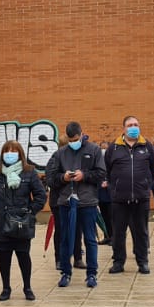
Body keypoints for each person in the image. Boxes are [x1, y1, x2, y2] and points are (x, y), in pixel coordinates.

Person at [0, 140, 47, 300]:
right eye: (7, 151)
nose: (10, 154)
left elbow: (40, 196)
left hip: (21, 222)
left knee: (23, 255)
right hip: (1, 222)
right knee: (4, 257)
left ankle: (27, 287)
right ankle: (6, 288)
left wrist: (30, 212)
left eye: (13, 151)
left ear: (20, 154)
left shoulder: (29, 172)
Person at [45, 122, 104, 288]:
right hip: (65, 202)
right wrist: (63, 177)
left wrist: (84, 175)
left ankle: (92, 274)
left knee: (90, 239)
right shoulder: (60, 154)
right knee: (65, 239)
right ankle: (65, 272)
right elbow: (50, 178)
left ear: (82, 134)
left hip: (87, 202)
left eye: (76, 139)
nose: (73, 142)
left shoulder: (94, 150)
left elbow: (101, 174)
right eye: (70, 140)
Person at [105, 115, 154, 274]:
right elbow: (107, 170)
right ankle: (118, 262)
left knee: (141, 231)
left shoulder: (147, 146)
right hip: (119, 199)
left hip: (141, 198)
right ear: (124, 128)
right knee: (118, 232)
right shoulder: (113, 148)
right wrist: (114, 189)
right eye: (130, 125)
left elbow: (153, 170)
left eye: (136, 124)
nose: (133, 127)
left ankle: (143, 262)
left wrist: (146, 185)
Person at [95, 140, 112, 245]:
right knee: (104, 216)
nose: (103, 150)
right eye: (102, 148)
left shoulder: (112, 162)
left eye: (105, 148)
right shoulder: (98, 162)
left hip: (110, 195)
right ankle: (106, 235)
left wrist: (109, 183)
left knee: (111, 217)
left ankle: (113, 237)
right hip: (101, 194)